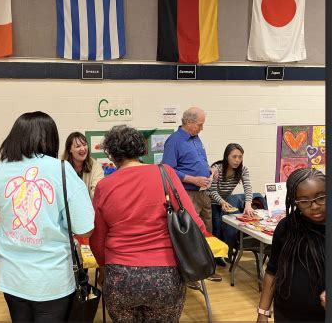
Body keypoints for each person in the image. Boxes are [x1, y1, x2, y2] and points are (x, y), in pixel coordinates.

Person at [0, 112, 94, 322]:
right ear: (50, 138)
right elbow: (84, 228)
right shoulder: (60, 170)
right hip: (51, 279)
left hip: (11, 276)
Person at [90, 125, 208, 322]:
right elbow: (196, 223)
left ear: (111, 155)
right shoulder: (166, 174)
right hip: (165, 274)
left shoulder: (104, 186)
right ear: (141, 149)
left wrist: (104, 269)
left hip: (120, 276)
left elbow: (97, 239)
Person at [162, 106, 222, 284]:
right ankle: (191, 273)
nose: (202, 128)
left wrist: (209, 170)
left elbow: (195, 162)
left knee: (206, 230)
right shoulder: (174, 141)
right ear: (188, 122)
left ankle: (206, 268)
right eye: (200, 125)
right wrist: (193, 180)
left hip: (203, 193)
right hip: (187, 193)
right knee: (191, 234)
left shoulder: (196, 138)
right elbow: (167, 170)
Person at [257, 168, 325, 323]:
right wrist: (263, 312)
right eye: (304, 201)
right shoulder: (287, 227)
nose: (314, 206)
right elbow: (273, 270)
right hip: (287, 313)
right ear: (294, 201)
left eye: (320, 197)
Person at [207, 143, 254, 266]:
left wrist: (248, 204)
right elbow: (211, 191)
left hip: (225, 201)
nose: (237, 160)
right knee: (216, 226)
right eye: (234, 156)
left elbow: (248, 188)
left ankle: (227, 253)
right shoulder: (217, 168)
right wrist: (221, 201)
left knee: (231, 225)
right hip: (211, 201)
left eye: (240, 157)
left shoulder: (243, 170)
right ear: (227, 156)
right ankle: (215, 257)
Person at [62, 132, 104, 200]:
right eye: (78, 146)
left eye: (84, 145)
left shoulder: (95, 166)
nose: (83, 149)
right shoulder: (61, 166)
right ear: (69, 149)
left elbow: (96, 191)